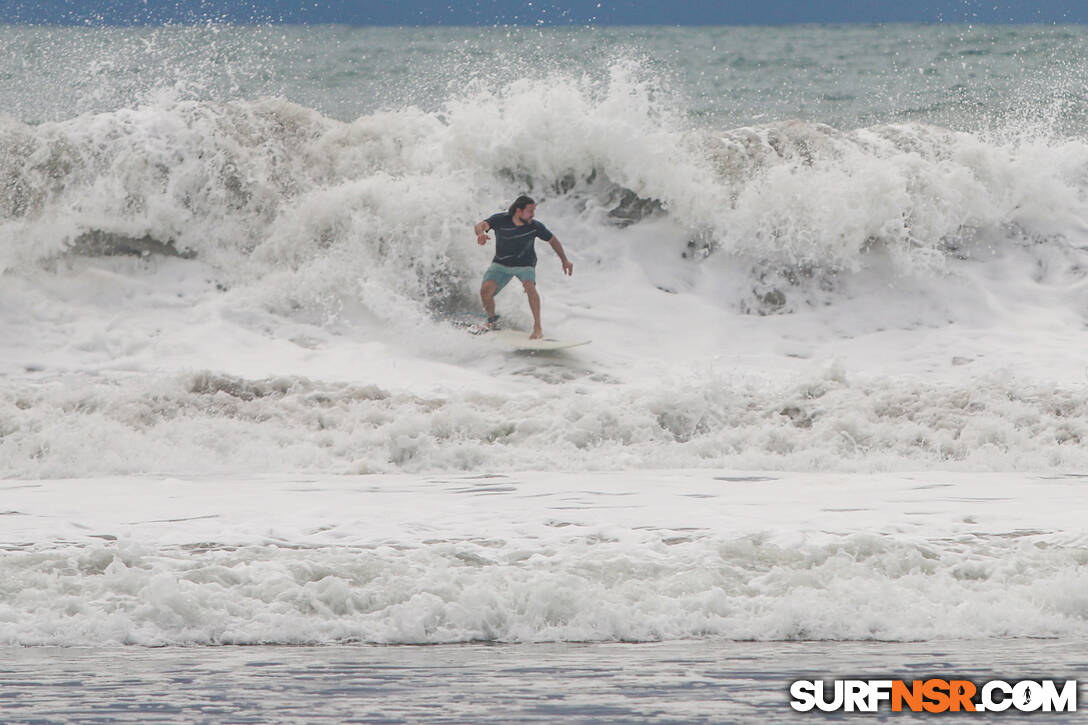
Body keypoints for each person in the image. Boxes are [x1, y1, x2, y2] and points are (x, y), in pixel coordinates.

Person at [475, 195, 573, 339]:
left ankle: (537, 327)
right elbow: (480, 225)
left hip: (525, 264)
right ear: (518, 211)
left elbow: (552, 240)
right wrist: (481, 234)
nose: (532, 215)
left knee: (530, 287)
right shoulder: (500, 220)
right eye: (530, 211)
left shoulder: (534, 226)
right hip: (501, 264)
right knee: (485, 292)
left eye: (533, 211)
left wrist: (565, 260)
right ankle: (492, 321)